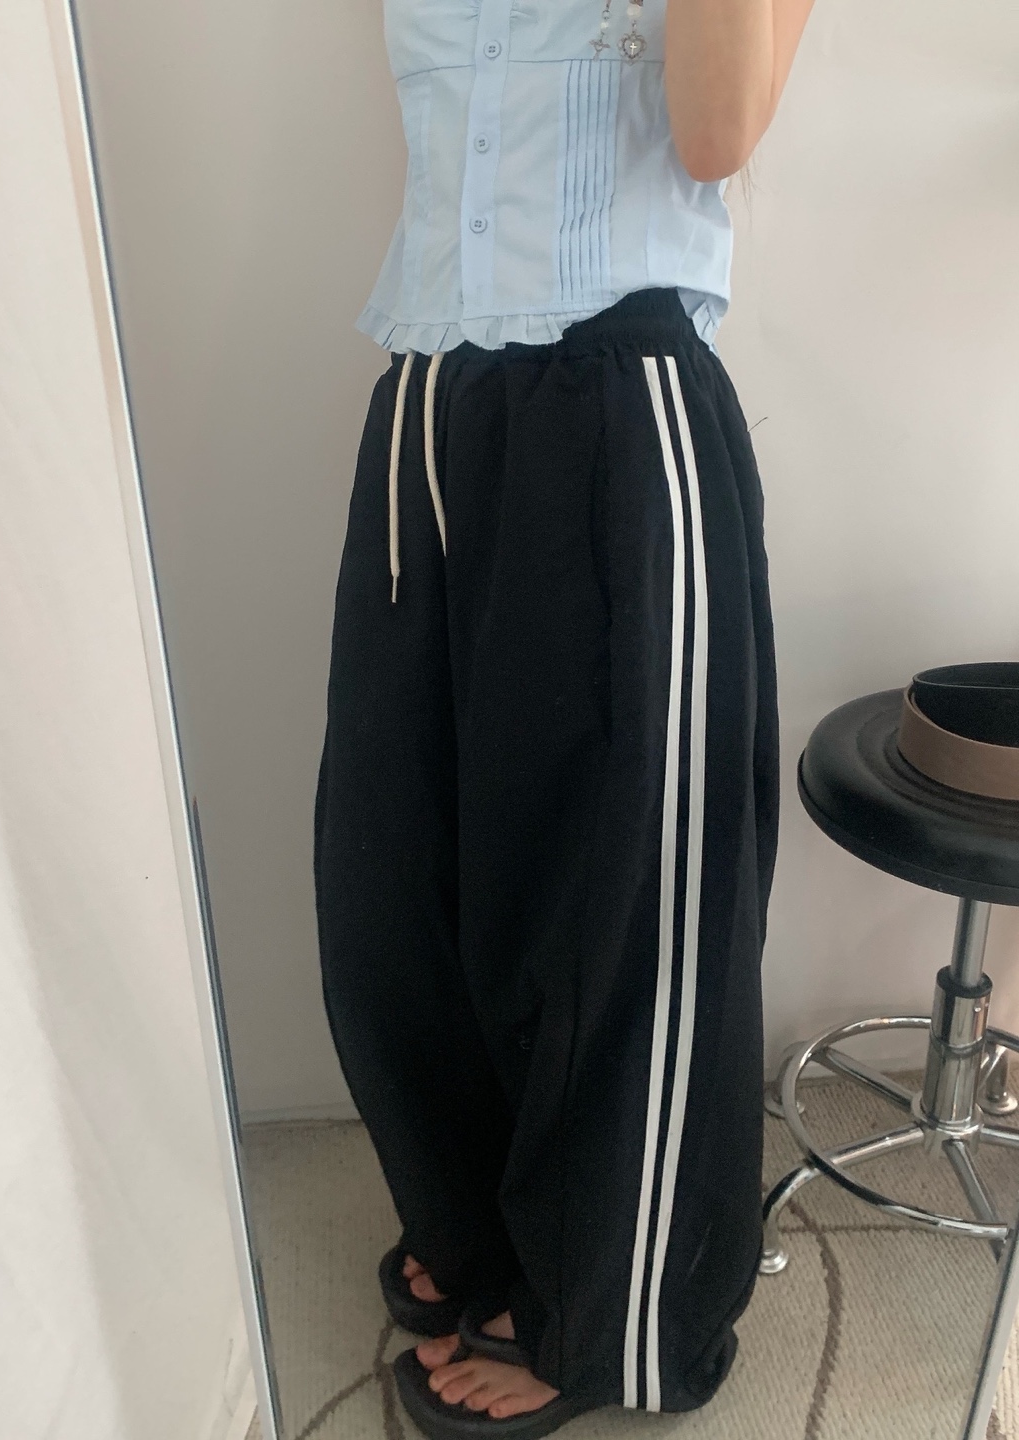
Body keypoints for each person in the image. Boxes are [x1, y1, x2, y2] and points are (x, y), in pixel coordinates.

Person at [314, 1, 815, 1434]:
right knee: (395, 884)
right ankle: (480, 1226)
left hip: (619, 401)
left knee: (619, 917)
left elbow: (713, 133)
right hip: (427, 396)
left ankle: (614, 1317)